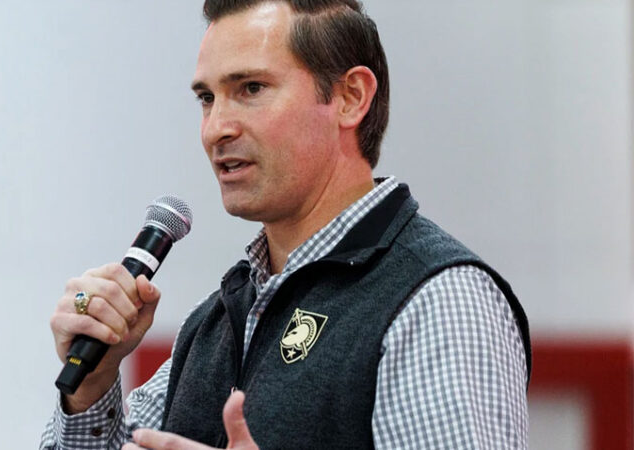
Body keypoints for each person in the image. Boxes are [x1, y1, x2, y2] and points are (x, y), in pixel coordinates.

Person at [40, 1, 531, 449]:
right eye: (207, 98)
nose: (216, 129)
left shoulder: (439, 298)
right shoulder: (218, 319)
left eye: (250, 89)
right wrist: (92, 388)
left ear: (350, 97)